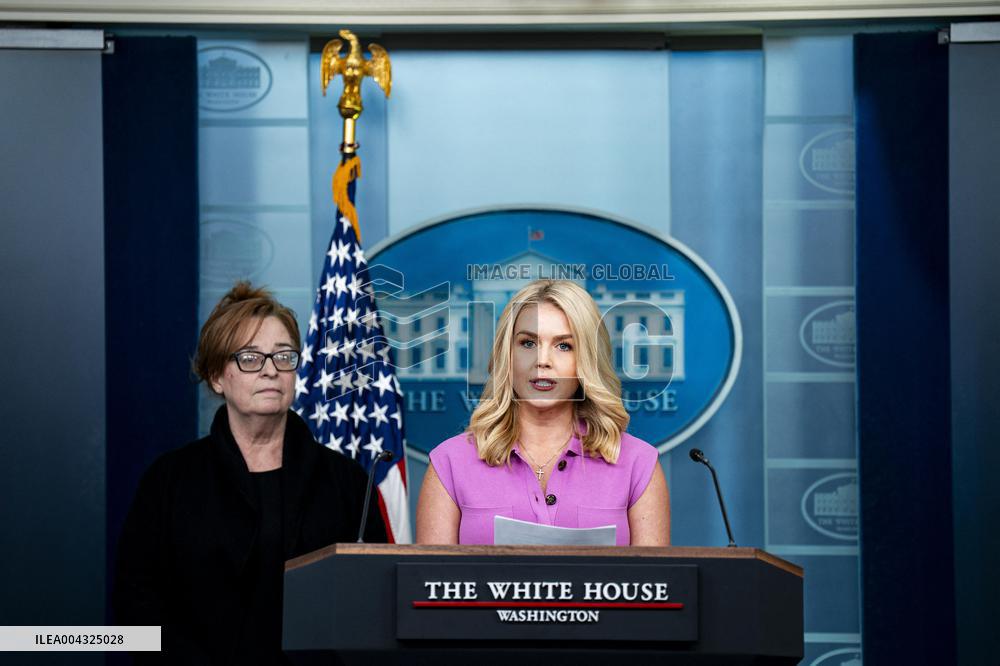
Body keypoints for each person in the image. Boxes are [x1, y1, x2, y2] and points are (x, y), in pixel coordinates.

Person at [114, 282, 386, 665]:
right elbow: (135, 602)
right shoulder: (169, 480)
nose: (271, 371)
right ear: (216, 376)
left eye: (283, 357)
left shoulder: (347, 480)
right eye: (250, 358)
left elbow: (373, 603)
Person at [416, 279, 669, 546]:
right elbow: (428, 585)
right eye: (528, 343)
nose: (542, 360)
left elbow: (657, 585)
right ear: (507, 354)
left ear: (587, 360)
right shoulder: (449, 463)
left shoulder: (638, 464)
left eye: (564, 346)